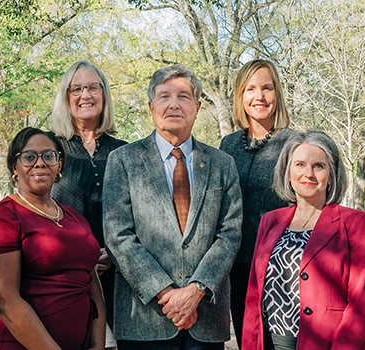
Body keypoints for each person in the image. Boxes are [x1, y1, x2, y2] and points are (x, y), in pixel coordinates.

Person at [103, 64, 242, 350]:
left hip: (205, 321)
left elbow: (230, 234)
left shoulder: (222, 164)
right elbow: (118, 235)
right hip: (144, 321)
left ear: (198, 106)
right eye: (164, 96)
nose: (174, 104)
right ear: (152, 105)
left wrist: (195, 291)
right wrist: (167, 294)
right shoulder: (123, 160)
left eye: (184, 96)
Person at [242, 130, 365, 350]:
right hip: (271, 343)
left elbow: (361, 304)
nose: (309, 174)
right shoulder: (270, 221)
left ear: (332, 175)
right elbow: (253, 296)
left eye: (319, 166)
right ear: (287, 172)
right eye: (300, 165)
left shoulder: (354, 224)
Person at [0, 127, 105, 350]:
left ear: (60, 165)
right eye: (28, 157)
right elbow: (4, 300)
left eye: (49, 155)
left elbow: (92, 285)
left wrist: (98, 346)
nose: (40, 163)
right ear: (14, 168)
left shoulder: (74, 216)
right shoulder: (2, 217)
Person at [49, 60, 127, 349]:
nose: (86, 95)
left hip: (120, 279)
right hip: (66, 278)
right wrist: (82, 257)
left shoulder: (126, 152)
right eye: (77, 89)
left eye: (93, 87)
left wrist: (115, 256)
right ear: (66, 97)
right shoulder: (49, 150)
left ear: (104, 95)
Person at [218, 59, 296, 347]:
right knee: (248, 342)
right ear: (240, 96)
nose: (259, 97)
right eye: (250, 89)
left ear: (278, 94)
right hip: (236, 267)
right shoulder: (227, 145)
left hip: (281, 267)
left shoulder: (293, 143)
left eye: (267, 88)